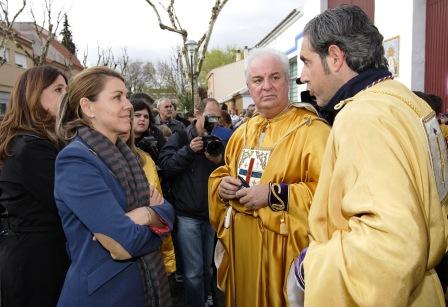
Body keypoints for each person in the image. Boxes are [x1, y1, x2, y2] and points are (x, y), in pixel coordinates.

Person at [294, 5, 448, 306]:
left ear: (336, 57)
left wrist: (310, 267)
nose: (301, 76)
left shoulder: (364, 115)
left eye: (306, 62)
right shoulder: (405, 101)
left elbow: (390, 245)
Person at [208, 48, 330, 307]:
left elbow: (330, 194)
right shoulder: (242, 133)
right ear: (248, 87)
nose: (266, 87)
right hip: (242, 249)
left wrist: (275, 194)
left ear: (288, 82)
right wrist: (222, 187)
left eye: (275, 77)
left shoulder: (314, 132)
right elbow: (224, 171)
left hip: (283, 252)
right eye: (257, 80)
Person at [54, 66, 175, 307]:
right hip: (104, 297)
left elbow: (169, 211)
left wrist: (146, 214)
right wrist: (157, 221)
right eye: (117, 97)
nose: (129, 105)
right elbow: (122, 245)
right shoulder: (76, 161)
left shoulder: (127, 157)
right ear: (88, 108)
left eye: (126, 96)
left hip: (141, 289)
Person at [0, 66, 70, 306]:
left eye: (67, 89)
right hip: (35, 262)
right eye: (58, 89)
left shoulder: (41, 141)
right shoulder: (30, 147)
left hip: (44, 253)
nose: (66, 95)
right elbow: (68, 202)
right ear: (33, 95)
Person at [159, 98, 225, 307]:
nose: (213, 121)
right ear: (198, 114)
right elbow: (166, 166)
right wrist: (188, 150)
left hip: (210, 214)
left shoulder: (216, 139)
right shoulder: (180, 137)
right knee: (193, 272)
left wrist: (219, 161)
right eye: (209, 116)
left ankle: (206, 298)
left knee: (207, 268)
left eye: (217, 117)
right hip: (187, 216)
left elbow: (227, 172)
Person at [132, 98, 166, 163]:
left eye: (146, 117)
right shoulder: (121, 139)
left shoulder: (156, 135)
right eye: (137, 115)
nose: (142, 119)